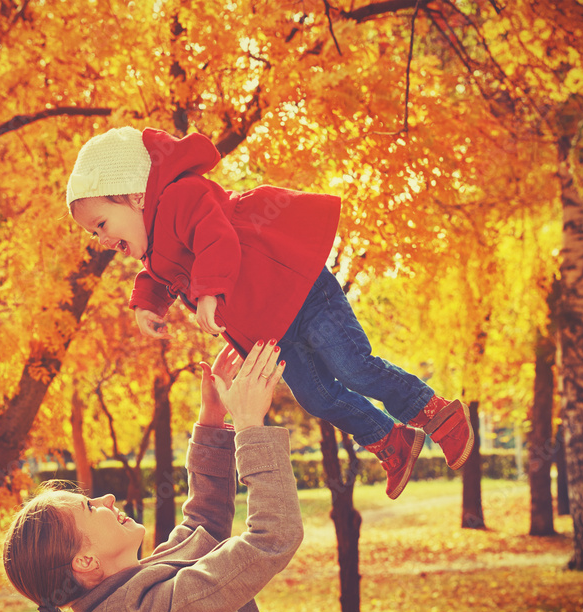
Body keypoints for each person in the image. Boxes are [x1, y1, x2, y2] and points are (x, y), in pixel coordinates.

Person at [65, 125, 473, 498]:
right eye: (93, 233)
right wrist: (147, 306)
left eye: (101, 224)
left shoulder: (182, 196)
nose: (100, 239)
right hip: (270, 332)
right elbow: (156, 278)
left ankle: (435, 413)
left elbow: (215, 236)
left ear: (134, 195)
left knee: (352, 366)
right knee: (315, 395)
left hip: (298, 288)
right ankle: (390, 441)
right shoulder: (156, 256)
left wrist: (208, 290)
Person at [2, 342, 340, 612]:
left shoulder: (132, 593)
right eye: (89, 507)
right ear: (84, 560)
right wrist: (249, 427)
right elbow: (272, 538)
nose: (108, 499)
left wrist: (213, 419)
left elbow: (202, 526)